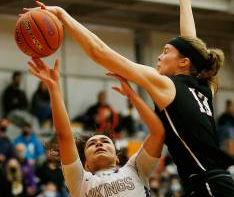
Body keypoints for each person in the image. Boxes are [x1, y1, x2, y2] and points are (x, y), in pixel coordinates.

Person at [25, 0, 234, 196]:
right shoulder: (202, 87)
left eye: (166, 51)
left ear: (184, 62)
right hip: (217, 183)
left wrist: (63, 16)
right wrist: (184, 0)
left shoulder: (167, 84)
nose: (159, 57)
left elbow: (99, 52)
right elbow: (191, 45)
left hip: (208, 186)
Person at [27, 58, 165, 197]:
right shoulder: (80, 181)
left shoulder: (135, 168)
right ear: (86, 163)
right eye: (91, 144)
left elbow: (157, 133)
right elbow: (64, 137)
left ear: (117, 157)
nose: (99, 143)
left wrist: (132, 96)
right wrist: (54, 88)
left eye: (105, 142)